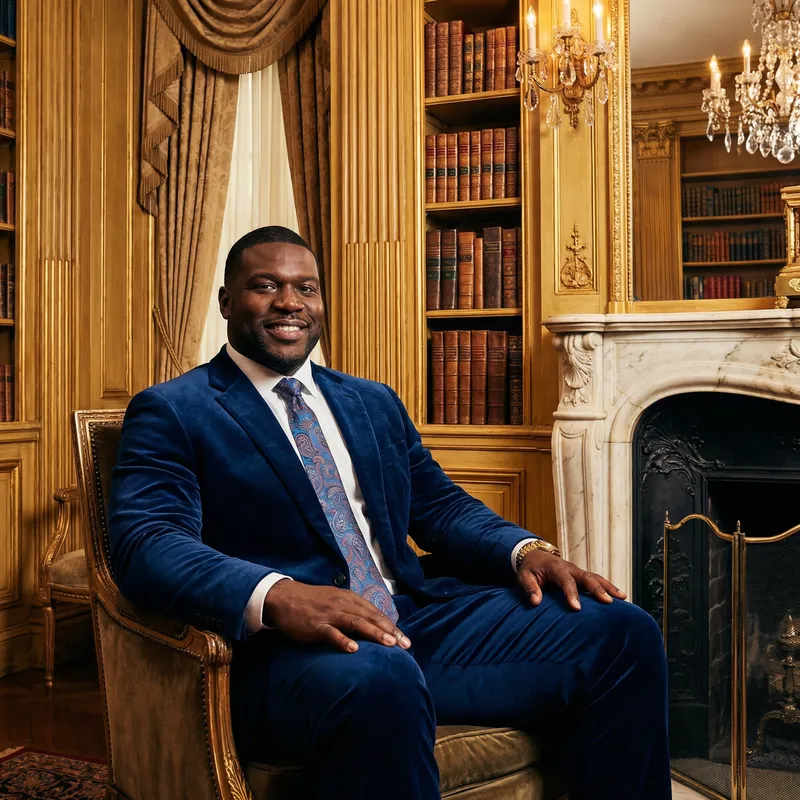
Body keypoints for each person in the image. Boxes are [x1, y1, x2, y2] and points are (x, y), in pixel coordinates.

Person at [109, 226, 671, 800]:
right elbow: (147, 544)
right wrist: (278, 594)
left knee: (622, 632)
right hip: (288, 653)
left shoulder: (370, 401)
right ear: (227, 302)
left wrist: (526, 550)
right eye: (265, 286)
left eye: (307, 288)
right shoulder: (175, 409)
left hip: (411, 619)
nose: (289, 302)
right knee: (382, 678)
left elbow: (439, 504)